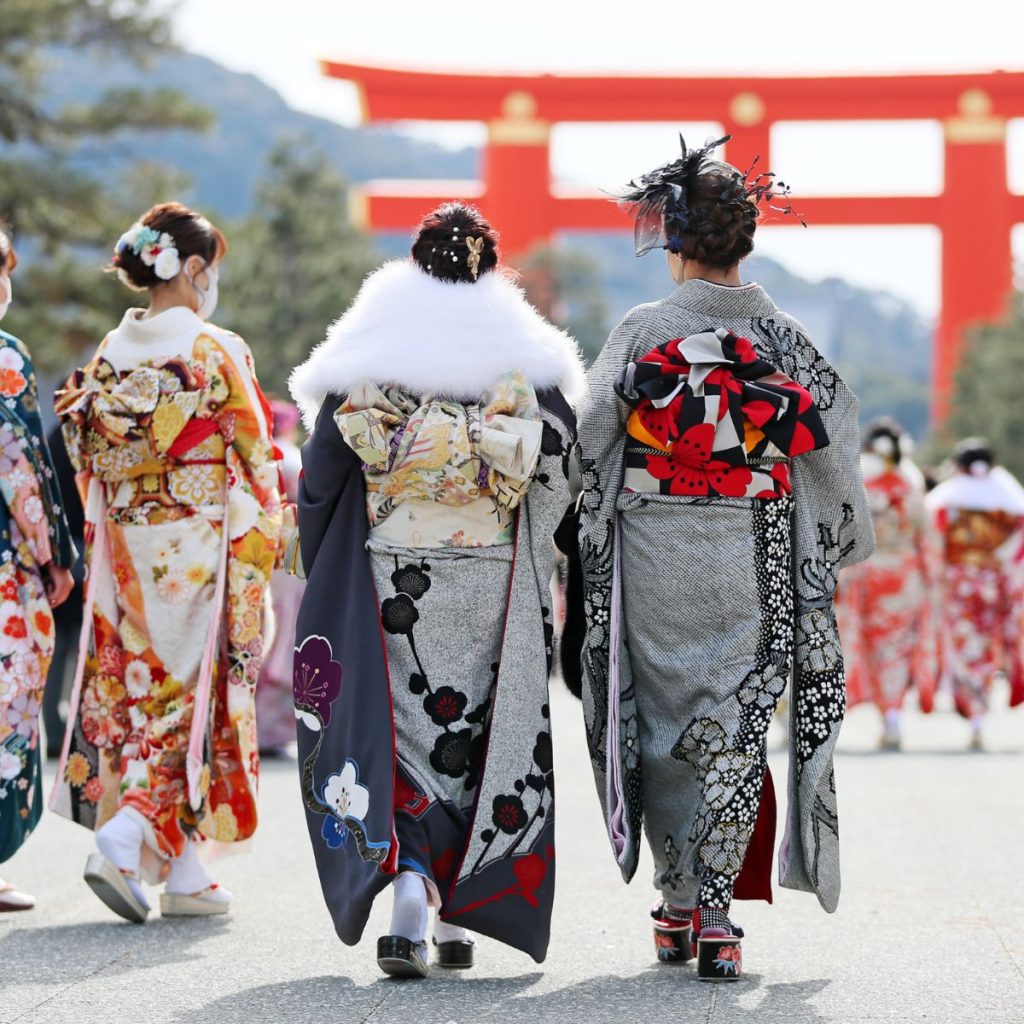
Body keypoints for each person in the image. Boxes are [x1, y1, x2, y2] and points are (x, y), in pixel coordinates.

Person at [571, 137, 873, 980]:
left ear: (674, 243)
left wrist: (580, 514)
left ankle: (672, 901)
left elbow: (593, 436)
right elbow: (833, 433)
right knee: (736, 726)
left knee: (662, 724)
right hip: (757, 547)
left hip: (656, 544)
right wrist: (836, 534)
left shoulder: (644, 330)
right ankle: (715, 916)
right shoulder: (783, 334)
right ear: (745, 240)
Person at [289, 202, 582, 978]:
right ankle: (456, 905)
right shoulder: (524, 353)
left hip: (393, 569)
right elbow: (560, 470)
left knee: (406, 727)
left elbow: (322, 474)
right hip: (491, 568)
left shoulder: (372, 346)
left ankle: (414, 887)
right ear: (490, 264)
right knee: (475, 729)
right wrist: (532, 533)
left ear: (416, 260)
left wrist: (326, 565)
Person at [50, 202, 287, 923]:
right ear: (191, 269)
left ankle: (183, 870)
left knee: (148, 688)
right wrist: (265, 537)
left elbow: (86, 458)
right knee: (193, 692)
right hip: (196, 544)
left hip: (127, 544)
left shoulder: (107, 356)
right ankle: (126, 834)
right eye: (210, 267)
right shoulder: (214, 349)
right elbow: (254, 455)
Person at [0, 225, 76, 911]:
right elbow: (22, 466)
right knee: (8, 705)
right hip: (3, 565)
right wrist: (54, 551)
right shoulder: (4, 357)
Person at [836, 418, 934, 749]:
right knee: (897, 648)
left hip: (866, 573)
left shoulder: (862, 483)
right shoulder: (910, 488)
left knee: (869, 647)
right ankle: (892, 716)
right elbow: (927, 536)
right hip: (905, 576)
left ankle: (884, 714)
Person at [925, 438, 1024, 749]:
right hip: (995, 584)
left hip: (958, 584)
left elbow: (932, 543)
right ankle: (980, 711)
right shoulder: (1008, 501)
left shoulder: (948, 502)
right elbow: (1016, 550)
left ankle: (975, 711)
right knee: (990, 647)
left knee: (967, 649)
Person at [254, 398, 305, 754]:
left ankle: (258, 727)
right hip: (290, 552)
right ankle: (275, 730)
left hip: (261, 551)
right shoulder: (293, 457)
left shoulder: (261, 454)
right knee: (286, 639)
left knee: (265, 634)